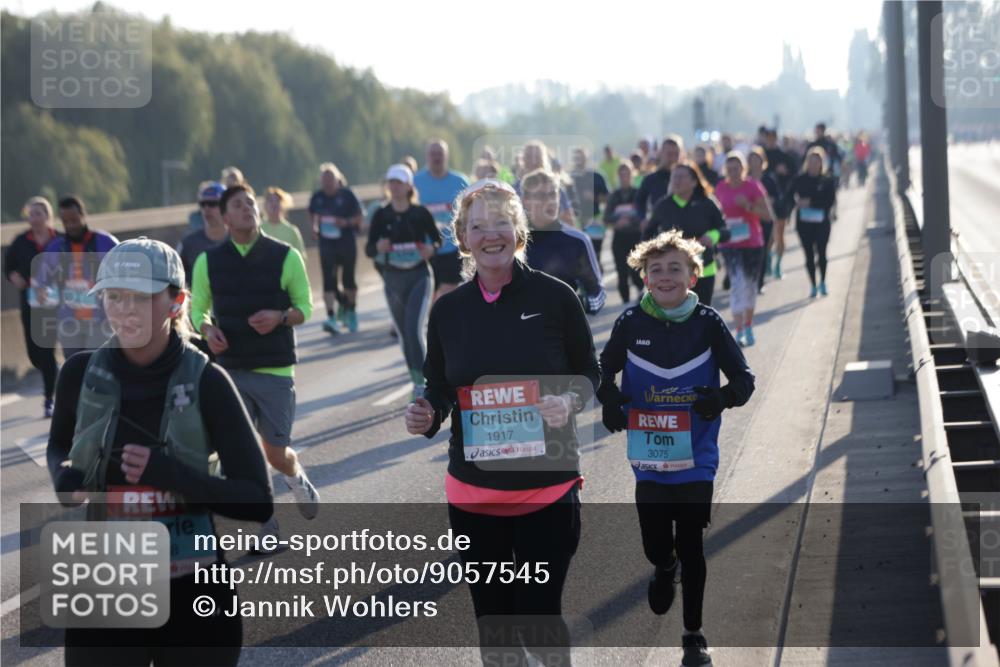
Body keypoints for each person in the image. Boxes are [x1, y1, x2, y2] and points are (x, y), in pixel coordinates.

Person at [47, 238, 273, 667]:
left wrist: (172, 475)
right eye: (114, 296)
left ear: (177, 301)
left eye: (141, 297)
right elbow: (59, 445)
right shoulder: (79, 374)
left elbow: (258, 500)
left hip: (193, 597)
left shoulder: (208, 381)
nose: (124, 309)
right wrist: (63, 477)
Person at [404, 178, 599, 665]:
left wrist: (569, 400)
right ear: (463, 238)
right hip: (475, 494)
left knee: (537, 618)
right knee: (495, 627)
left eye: (500, 223)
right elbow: (439, 386)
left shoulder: (556, 298)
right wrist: (427, 413)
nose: (491, 234)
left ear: (519, 232)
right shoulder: (448, 310)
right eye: (478, 225)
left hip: (545, 487)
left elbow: (589, 372)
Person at [597, 230, 754, 667]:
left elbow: (745, 381)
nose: (665, 276)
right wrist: (609, 400)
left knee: (692, 544)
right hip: (648, 461)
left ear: (694, 275)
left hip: (696, 460)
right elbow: (600, 370)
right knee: (655, 545)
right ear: (645, 278)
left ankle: (693, 635)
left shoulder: (708, 322)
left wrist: (718, 399)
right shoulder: (630, 323)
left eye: (674, 268)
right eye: (656, 270)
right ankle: (663, 567)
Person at [191, 184, 319, 542]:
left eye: (251, 203)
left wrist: (279, 316)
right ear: (224, 216)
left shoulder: (286, 255)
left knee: (275, 454)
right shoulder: (207, 262)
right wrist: (205, 328)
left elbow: (305, 308)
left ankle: (295, 476)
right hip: (229, 370)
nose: (247, 208)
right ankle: (267, 525)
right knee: (243, 454)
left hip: (276, 370)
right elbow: (196, 308)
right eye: (238, 204)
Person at [366, 164, 441, 399]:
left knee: (413, 329)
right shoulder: (381, 214)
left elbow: (437, 242)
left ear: (409, 186)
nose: (394, 187)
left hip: (419, 275)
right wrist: (378, 247)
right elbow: (369, 249)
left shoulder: (420, 213)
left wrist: (431, 248)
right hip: (393, 278)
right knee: (403, 334)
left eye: (399, 182)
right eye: (391, 182)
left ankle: (423, 383)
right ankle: (416, 379)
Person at [35, 196, 119, 359]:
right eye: (66, 222)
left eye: (74, 220)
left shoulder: (106, 242)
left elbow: (123, 270)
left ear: (83, 215)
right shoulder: (55, 248)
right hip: (68, 321)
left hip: (100, 320)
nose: (71, 226)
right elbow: (41, 280)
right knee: (73, 368)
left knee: (93, 364)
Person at [521, 169, 606, 315]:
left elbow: (599, 294)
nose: (550, 201)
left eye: (553, 194)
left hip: (564, 333)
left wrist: (577, 302)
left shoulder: (577, 240)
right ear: (526, 202)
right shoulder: (513, 240)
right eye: (541, 196)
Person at [644, 161, 729, 307]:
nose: (677, 181)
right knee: (675, 317)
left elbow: (725, 231)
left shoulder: (707, 204)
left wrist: (712, 236)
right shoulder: (663, 205)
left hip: (704, 269)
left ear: (694, 182)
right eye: (674, 177)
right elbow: (646, 235)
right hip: (671, 274)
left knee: (701, 317)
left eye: (682, 177)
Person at [6, 196, 60, 416]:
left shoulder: (60, 241)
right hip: (30, 301)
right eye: (31, 214)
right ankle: (52, 371)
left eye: (39, 213)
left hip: (56, 302)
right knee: (35, 354)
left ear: (48, 216)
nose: (34, 218)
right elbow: (8, 266)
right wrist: (12, 276)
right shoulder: (21, 242)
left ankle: (49, 399)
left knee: (46, 349)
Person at [714, 152, 771, 346]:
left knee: (750, 286)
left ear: (743, 169)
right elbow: (714, 215)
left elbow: (767, 215)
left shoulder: (753, 186)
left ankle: (748, 325)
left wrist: (747, 206)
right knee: (737, 285)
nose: (733, 172)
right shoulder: (720, 188)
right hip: (730, 244)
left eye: (736, 168)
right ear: (725, 171)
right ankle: (738, 330)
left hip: (752, 243)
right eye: (729, 169)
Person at [308, 162, 364, 334]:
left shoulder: (347, 195)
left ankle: (351, 311)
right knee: (328, 281)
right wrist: (315, 227)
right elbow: (312, 213)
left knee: (348, 279)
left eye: (330, 180)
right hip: (326, 244)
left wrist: (345, 222)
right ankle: (331, 316)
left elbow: (360, 216)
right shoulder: (317, 197)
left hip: (346, 242)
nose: (327, 184)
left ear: (337, 180)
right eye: (324, 180)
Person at [413, 140, 470, 301]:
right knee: (429, 295)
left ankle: (442, 323)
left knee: (447, 296)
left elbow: (470, 212)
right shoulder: (416, 182)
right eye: (433, 154)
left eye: (440, 153)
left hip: (452, 247)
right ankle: (433, 323)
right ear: (427, 156)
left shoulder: (460, 181)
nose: (436, 157)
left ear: (446, 156)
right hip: (424, 247)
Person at [786, 147, 838, 298]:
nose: (813, 164)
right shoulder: (799, 179)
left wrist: (811, 202)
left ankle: (823, 282)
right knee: (808, 255)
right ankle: (813, 285)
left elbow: (830, 201)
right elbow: (789, 196)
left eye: (817, 162)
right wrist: (795, 203)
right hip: (804, 223)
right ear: (806, 163)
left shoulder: (827, 180)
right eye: (811, 161)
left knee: (821, 252)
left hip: (822, 222)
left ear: (822, 163)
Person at [604, 161, 645, 304]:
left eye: (627, 174)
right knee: (621, 272)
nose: (624, 177)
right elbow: (606, 217)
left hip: (635, 237)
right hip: (619, 238)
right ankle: (625, 301)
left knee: (636, 272)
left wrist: (631, 221)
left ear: (632, 175)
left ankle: (642, 295)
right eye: (621, 174)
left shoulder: (638, 193)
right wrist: (617, 222)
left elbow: (644, 214)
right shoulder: (614, 196)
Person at [176, 182, 227, 286]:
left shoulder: (239, 240)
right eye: (203, 204)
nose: (206, 209)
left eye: (213, 204)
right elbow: (174, 278)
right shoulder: (188, 244)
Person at [746, 147, 779, 294]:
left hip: (765, 219)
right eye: (751, 160)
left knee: (762, 250)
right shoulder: (744, 180)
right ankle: (747, 279)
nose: (754, 163)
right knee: (747, 250)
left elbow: (777, 197)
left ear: (762, 161)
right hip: (748, 220)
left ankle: (759, 282)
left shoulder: (769, 179)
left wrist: (768, 201)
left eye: (756, 160)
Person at [762, 129, 793, 279]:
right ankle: (767, 261)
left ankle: (778, 264)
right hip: (765, 201)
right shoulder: (761, 155)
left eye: (772, 138)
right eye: (768, 138)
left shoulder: (783, 156)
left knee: (779, 235)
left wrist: (785, 172)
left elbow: (793, 177)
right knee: (767, 236)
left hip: (780, 202)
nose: (770, 140)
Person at [570, 147, 610, 258]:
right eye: (576, 158)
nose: (579, 160)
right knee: (579, 256)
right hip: (576, 222)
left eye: (581, 157)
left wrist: (595, 198)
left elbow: (609, 198)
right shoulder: (569, 178)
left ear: (586, 159)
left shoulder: (597, 176)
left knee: (595, 255)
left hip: (594, 220)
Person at [636, 135, 683, 223]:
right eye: (669, 154)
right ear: (660, 153)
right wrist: (643, 219)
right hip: (658, 228)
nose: (673, 158)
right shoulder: (650, 179)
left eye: (676, 154)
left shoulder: (688, 179)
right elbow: (639, 202)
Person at [262, 186, 307, 258]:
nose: (274, 204)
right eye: (270, 201)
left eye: (277, 200)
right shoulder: (258, 229)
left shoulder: (292, 230)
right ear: (265, 205)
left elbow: (301, 256)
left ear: (283, 204)